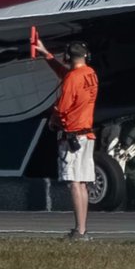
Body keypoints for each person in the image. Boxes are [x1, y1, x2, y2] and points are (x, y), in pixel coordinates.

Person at [33, 33, 99, 241]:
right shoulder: (90, 74)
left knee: (74, 183)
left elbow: (61, 109)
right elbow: (68, 76)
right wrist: (46, 54)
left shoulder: (72, 79)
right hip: (86, 135)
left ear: (68, 58)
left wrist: (52, 120)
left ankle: (79, 231)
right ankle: (82, 229)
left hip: (72, 137)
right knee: (82, 184)